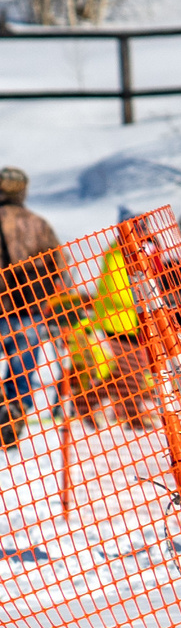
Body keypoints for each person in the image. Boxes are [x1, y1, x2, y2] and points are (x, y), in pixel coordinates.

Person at [0, 167, 61, 450]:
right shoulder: (39, 223)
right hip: (30, 310)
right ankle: (12, 413)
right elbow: (59, 266)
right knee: (22, 370)